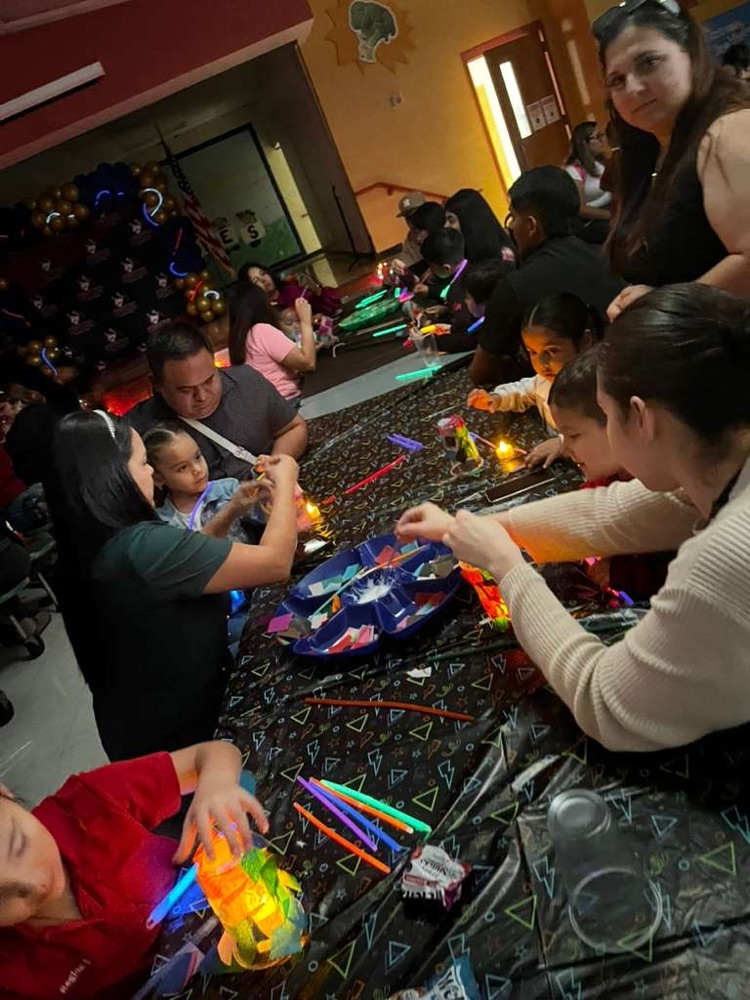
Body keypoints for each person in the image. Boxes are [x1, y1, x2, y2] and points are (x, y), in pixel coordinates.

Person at [397, 283, 750, 752]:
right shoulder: (723, 469)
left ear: (641, 418)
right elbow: (609, 513)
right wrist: (468, 528)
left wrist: (510, 570)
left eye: (604, 412)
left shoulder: (724, 557)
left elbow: (605, 702)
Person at [45, 409, 299, 760]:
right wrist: (285, 482)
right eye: (142, 463)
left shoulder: (81, 550)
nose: (150, 472)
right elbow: (275, 562)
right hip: (191, 735)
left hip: (142, 734)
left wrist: (231, 511)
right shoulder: (141, 547)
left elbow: (186, 562)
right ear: (112, 477)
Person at [0, 740, 268, 1000]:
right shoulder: (10, 976)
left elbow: (214, 753)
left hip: (224, 914)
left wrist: (216, 785)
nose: (38, 882)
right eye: (1, 898)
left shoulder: (87, 804)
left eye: (18, 843)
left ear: (4, 793)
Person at [595, 0, 750, 320]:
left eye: (648, 62)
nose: (634, 87)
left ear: (691, 54)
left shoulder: (728, 129)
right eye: (617, 80)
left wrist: (662, 312)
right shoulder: (651, 151)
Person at [469, 167, 624, 386]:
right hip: (627, 380)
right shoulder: (608, 256)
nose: (511, 226)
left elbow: (480, 373)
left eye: (513, 217)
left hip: (568, 397)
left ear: (532, 226)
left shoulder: (514, 287)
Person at [548, 348, 673, 599]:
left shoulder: (665, 487)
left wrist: (622, 572)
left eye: (573, 435)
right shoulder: (616, 473)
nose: (565, 447)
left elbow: (673, 573)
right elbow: (598, 501)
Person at [127, 323, 308, 478]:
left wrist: (273, 469)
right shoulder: (136, 433)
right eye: (186, 390)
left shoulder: (247, 382)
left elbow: (294, 427)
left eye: (209, 380)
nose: (202, 396)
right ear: (157, 384)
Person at [468, 293, 600, 467]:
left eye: (552, 351)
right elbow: (525, 389)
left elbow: (603, 433)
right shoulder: (546, 380)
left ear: (585, 341)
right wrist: (497, 398)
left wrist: (562, 443)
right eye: (533, 352)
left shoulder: (599, 387)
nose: (542, 363)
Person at [143, 423, 266, 543]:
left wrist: (263, 480)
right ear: (158, 477)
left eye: (197, 457)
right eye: (182, 468)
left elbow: (264, 514)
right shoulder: (163, 522)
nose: (197, 469)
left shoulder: (227, 490)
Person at [227, 283, 316, 404]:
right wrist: (305, 320)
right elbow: (308, 363)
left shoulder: (238, 339)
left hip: (271, 408)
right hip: (289, 403)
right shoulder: (260, 330)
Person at [565, 121, 613, 245]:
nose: (602, 140)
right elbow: (581, 209)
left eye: (601, 135)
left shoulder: (600, 162)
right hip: (593, 220)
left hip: (612, 208)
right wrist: (610, 215)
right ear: (584, 143)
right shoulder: (574, 170)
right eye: (597, 137)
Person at [238, 262, 341, 317]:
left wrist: (316, 290)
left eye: (263, 273)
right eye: (256, 280)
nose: (264, 280)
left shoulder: (292, 289)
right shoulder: (262, 312)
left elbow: (334, 307)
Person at [444, 188, 516, 265]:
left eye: (451, 221)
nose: (446, 226)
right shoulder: (462, 254)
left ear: (469, 222)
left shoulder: (504, 256)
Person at [390, 201, 447, 286]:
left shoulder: (450, 246)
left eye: (415, 215)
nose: (411, 222)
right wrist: (399, 272)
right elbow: (412, 273)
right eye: (408, 218)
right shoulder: (409, 241)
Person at [394, 191, 428, 268]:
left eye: (416, 215)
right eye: (408, 218)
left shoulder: (443, 226)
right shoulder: (410, 243)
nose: (413, 221)